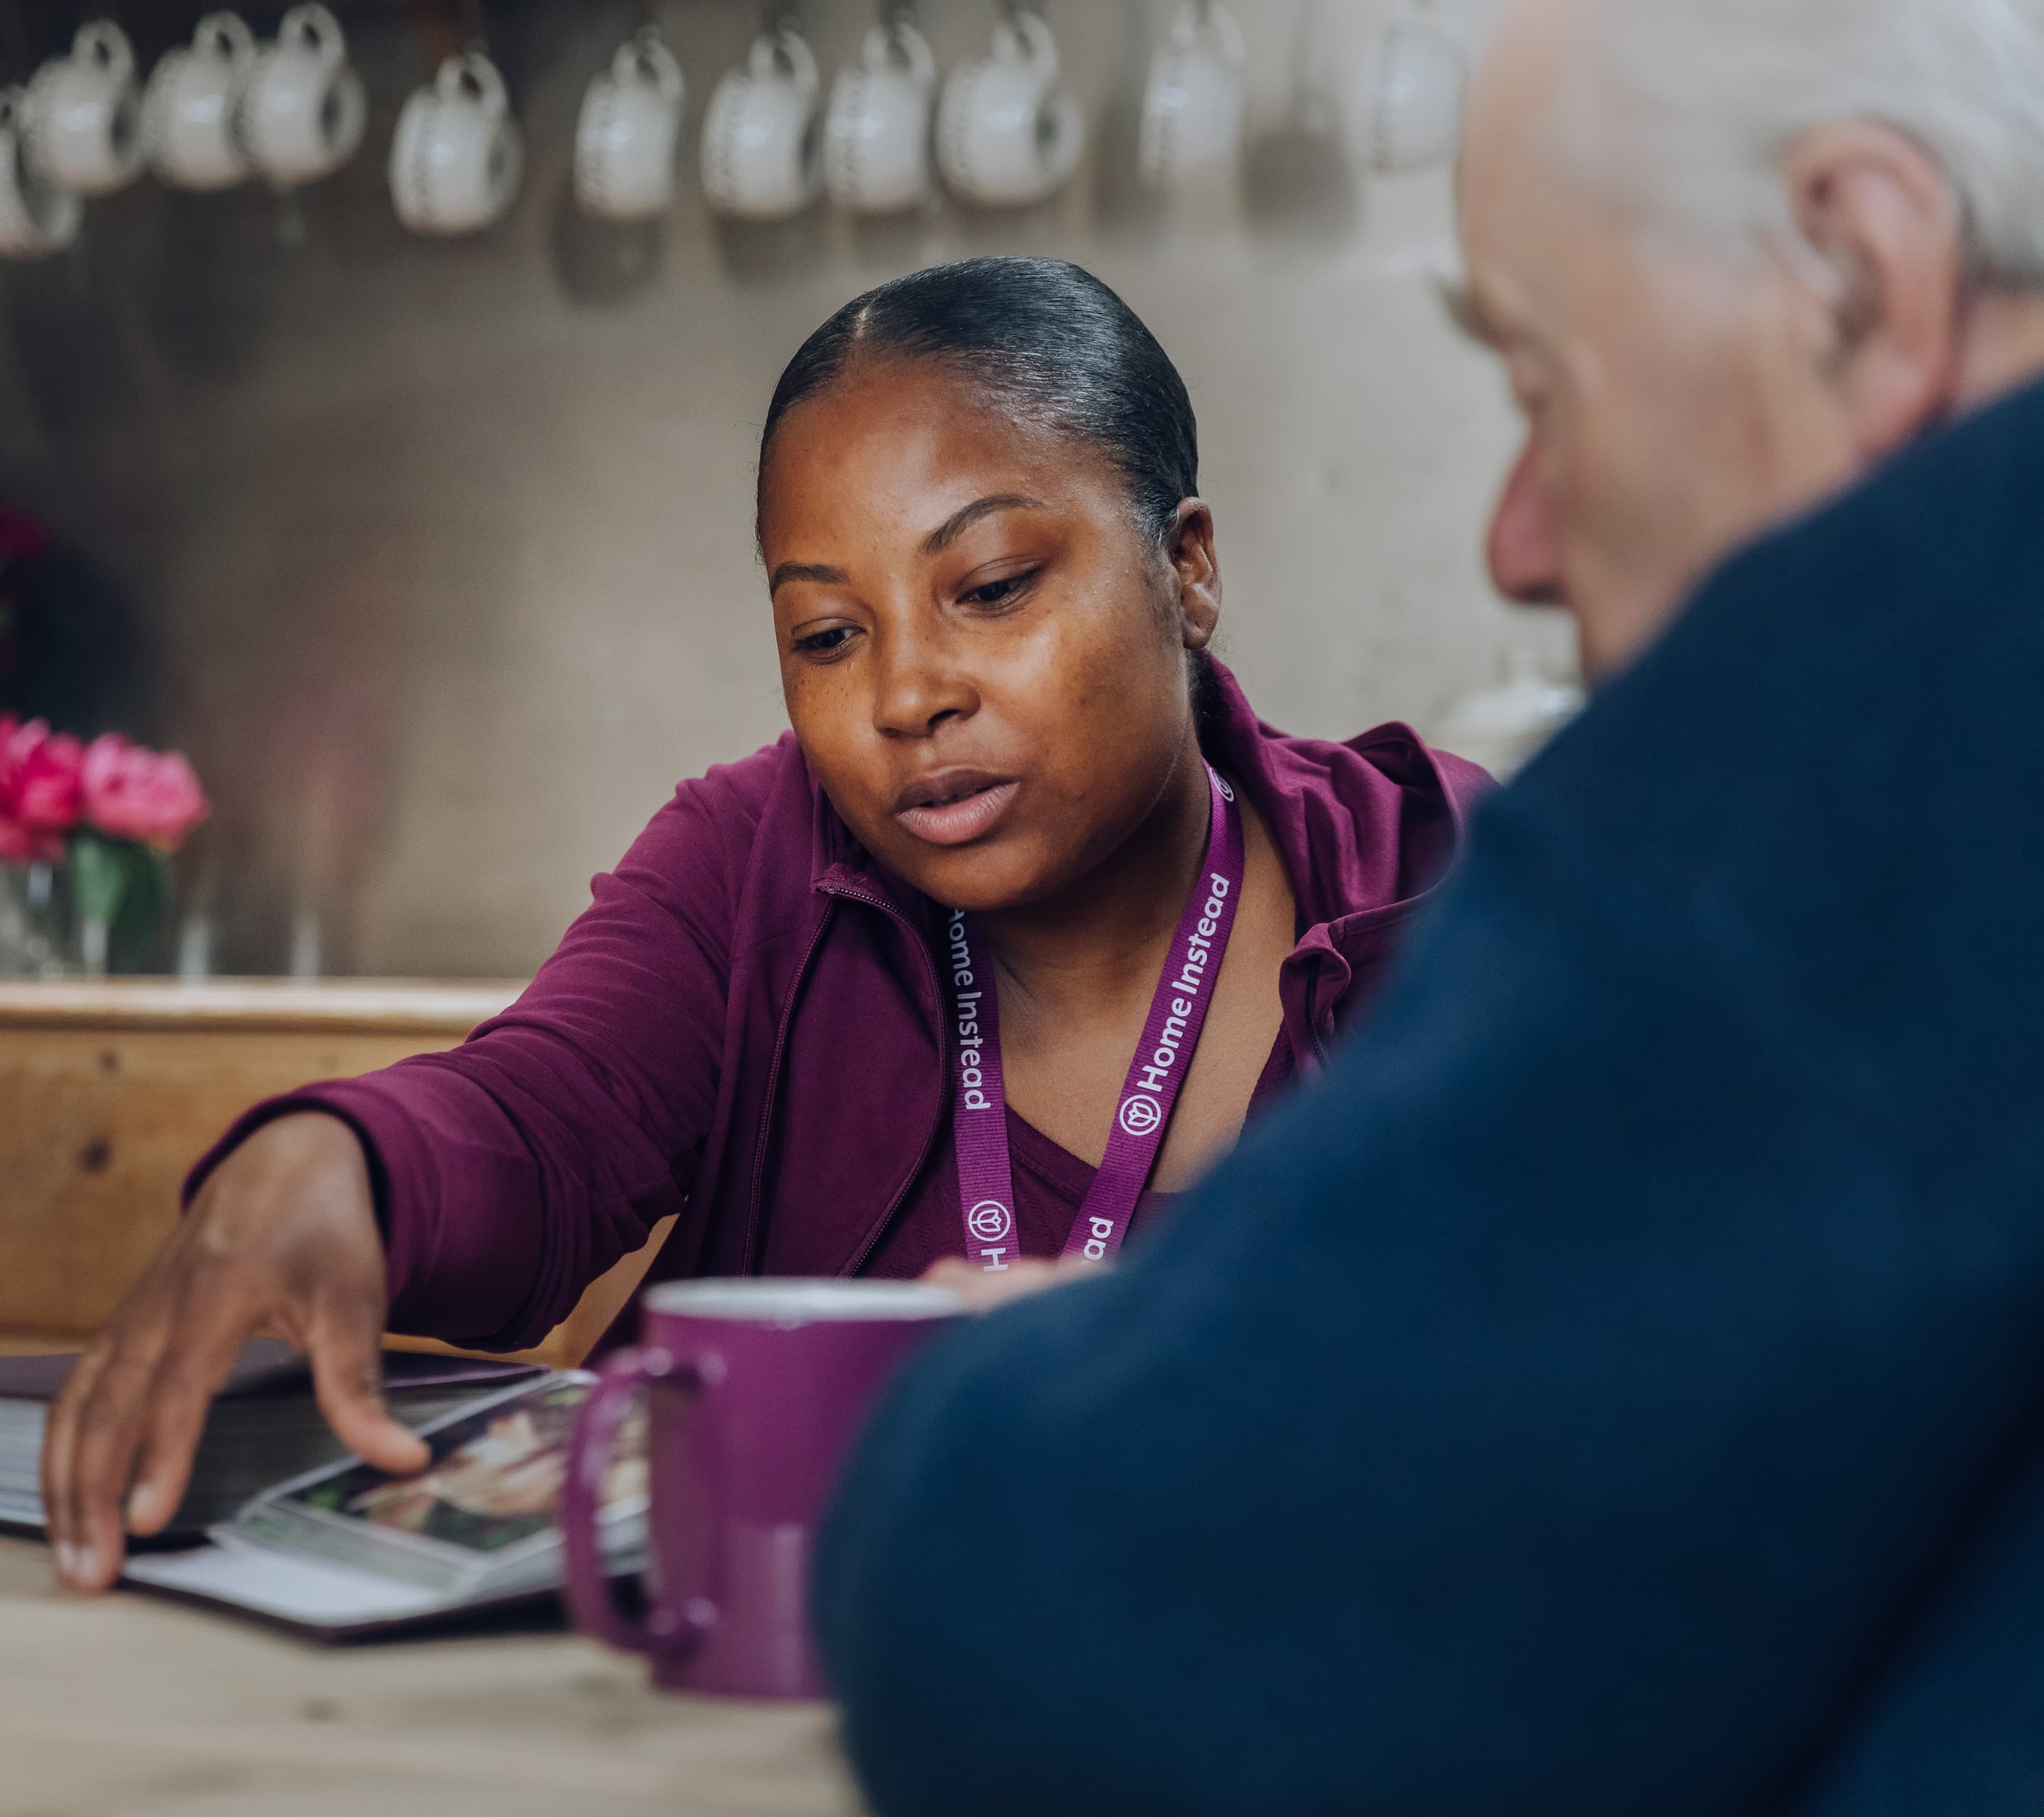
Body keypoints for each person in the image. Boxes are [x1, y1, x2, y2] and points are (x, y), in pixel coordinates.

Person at [812, 2, 2044, 1812]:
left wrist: (1032, 1387)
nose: (1517, 537)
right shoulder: (747, 854)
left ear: (1864, 272)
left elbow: (1060, 1622)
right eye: (828, 630)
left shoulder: (1886, 714)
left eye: (1542, 385)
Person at [41, 258, 1486, 1591]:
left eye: (988, 589)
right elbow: (541, 1115)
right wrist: (338, 1156)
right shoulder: (756, 857)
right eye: (827, 634)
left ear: (1188, 568)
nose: (907, 694)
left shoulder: (1454, 885)